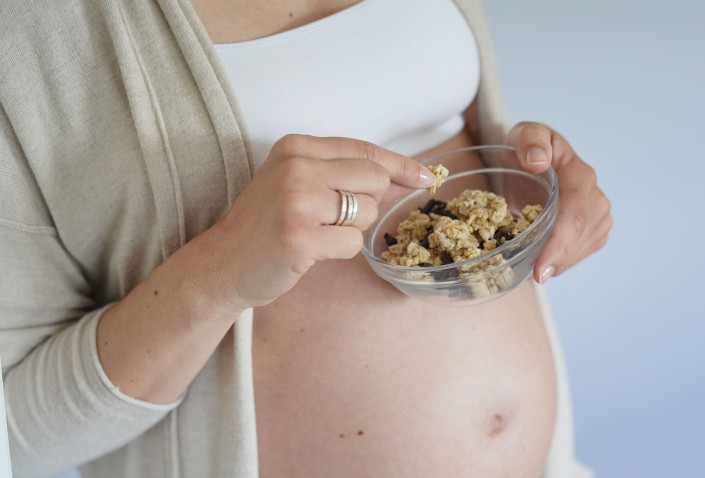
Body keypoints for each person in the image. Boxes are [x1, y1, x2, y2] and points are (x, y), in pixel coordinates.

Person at [0, 0, 612, 476]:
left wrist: (525, 192)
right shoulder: (33, 34)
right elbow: (15, 436)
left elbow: (453, 148)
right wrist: (216, 274)